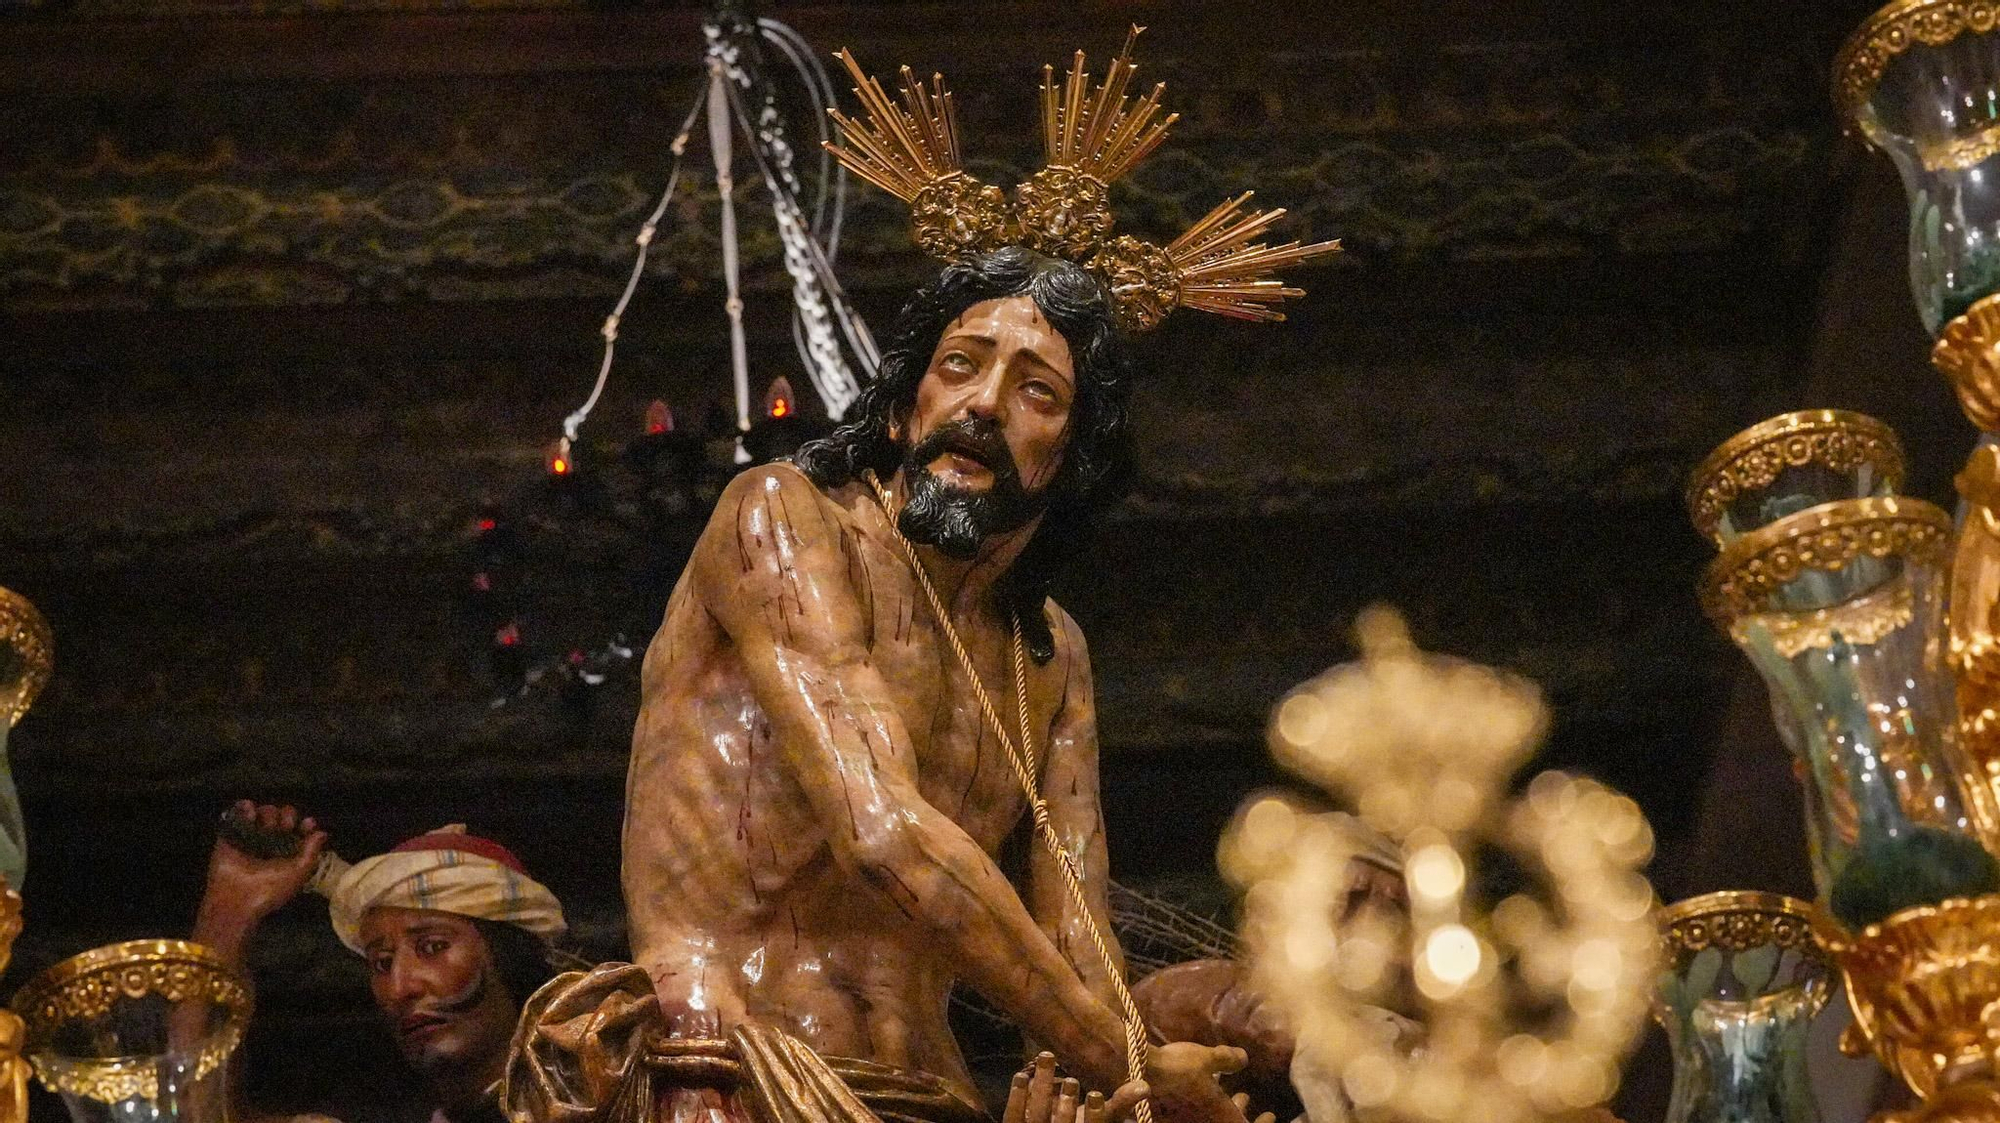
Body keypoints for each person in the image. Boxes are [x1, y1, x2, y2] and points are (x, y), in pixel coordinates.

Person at [510, 34, 1337, 1123]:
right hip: (729, 1069)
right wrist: (1126, 1065)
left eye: (1037, 391)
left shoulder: (1048, 652)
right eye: (959, 365)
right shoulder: (783, 519)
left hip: (934, 1093)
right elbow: (880, 828)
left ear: (1072, 459)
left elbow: (1079, 940)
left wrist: (1158, 1073)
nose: (984, 403)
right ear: (903, 407)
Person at [194, 802, 566, 1123]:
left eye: (433, 947)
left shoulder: (598, 1098)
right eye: (382, 963)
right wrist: (227, 918)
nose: (400, 988)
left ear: (508, 955)